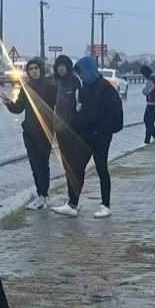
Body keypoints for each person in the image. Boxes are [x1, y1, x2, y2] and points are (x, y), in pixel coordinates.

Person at [52, 57, 121, 218]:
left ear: (90, 70)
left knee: (101, 168)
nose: (80, 76)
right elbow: (82, 112)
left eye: (82, 73)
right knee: (77, 168)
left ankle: (106, 205)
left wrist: (102, 131)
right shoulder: (85, 88)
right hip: (86, 137)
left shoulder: (107, 89)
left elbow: (117, 118)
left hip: (101, 138)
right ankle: (72, 203)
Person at [1, 57, 56, 209]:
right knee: (34, 165)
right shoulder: (26, 87)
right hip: (30, 133)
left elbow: (57, 106)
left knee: (43, 165)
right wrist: (9, 104)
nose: (33, 71)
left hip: (45, 132)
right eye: (30, 69)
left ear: (41, 69)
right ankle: (40, 195)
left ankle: (44, 195)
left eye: (36, 68)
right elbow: (19, 108)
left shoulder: (50, 86)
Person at [51, 55, 84, 208]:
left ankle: (73, 201)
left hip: (74, 131)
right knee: (66, 165)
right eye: (59, 66)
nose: (61, 68)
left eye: (64, 65)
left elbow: (80, 105)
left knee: (74, 165)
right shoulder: (55, 83)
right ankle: (72, 199)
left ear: (69, 67)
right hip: (60, 131)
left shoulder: (75, 82)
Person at [139, 65, 155, 145]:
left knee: (148, 121)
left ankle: (147, 140)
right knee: (148, 120)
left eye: (142, 74)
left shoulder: (151, 80)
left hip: (152, 103)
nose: (142, 75)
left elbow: (145, 91)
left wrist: (144, 90)